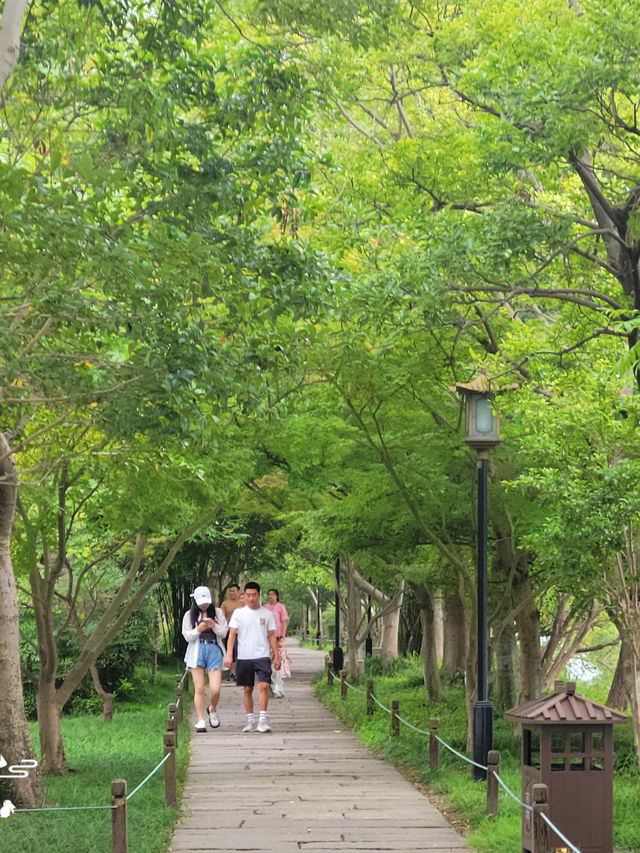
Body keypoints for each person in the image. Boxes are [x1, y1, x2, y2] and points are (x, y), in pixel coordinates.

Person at [224, 581, 280, 733]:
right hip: (244, 656)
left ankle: (262, 720)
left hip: (262, 655)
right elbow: (232, 635)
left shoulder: (267, 614)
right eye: (248, 595)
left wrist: (276, 656)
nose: (251, 598)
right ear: (244, 595)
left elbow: (272, 635)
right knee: (247, 688)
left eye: (254, 595)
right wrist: (229, 654)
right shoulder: (238, 614)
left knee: (263, 685)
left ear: (258, 595)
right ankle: (250, 720)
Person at [182, 585, 228, 733]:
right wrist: (198, 630)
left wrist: (214, 626)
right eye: (201, 602)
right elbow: (187, 636)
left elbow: (224, 633)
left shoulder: (218, 613)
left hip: (214, 649)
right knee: (200, 688)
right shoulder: (189, 615)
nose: (204, 605)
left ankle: (212, 708)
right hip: (197, 650)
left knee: (215, 688)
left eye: (206, 602)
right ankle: (200, 720)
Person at [221, 583, 243, 682]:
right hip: (230, 630)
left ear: (238, 592)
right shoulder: (225, 603)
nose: (231, 593)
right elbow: (221, 617)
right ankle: (233, 673)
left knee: (242, 652)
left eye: (233, 591)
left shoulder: (243, 602)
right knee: (231, 652)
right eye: (230, 591)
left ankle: (242, 672)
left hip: (243, 631)